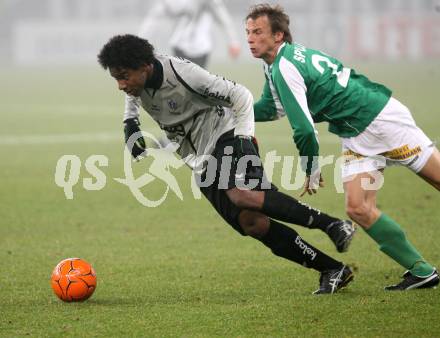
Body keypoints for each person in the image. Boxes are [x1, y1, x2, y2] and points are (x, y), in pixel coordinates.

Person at [97, 34, 356, 294]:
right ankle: (332, 269)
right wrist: (130, 123)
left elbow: (240, 94)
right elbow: (134, 93)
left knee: (243, 195)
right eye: (116, 78)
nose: (121, 85)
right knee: (252, 223)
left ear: (145, 66)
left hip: (227, 134)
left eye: (123, 76)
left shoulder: (185, 74)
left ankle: (332, 224)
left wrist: (243, 136)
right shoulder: (138, 82)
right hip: (199, 159)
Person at [245, 4, 440, 291]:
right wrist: (232, 107)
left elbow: (304, 129)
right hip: (355, 133)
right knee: (358, 207)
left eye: (258, 32)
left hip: (379, 120)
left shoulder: (285, 65)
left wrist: (311, 167)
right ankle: (423, 271)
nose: (250, 38)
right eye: (248, 32)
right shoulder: (276, 63)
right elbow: (271, 108)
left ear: (278, 36)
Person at [138, 0, 240, 68]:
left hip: (201, 48)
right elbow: (153, 19)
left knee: (197, 88)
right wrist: (140, 44)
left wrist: (233, 42)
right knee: (182, 87)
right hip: (179, 46)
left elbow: (223, 18)